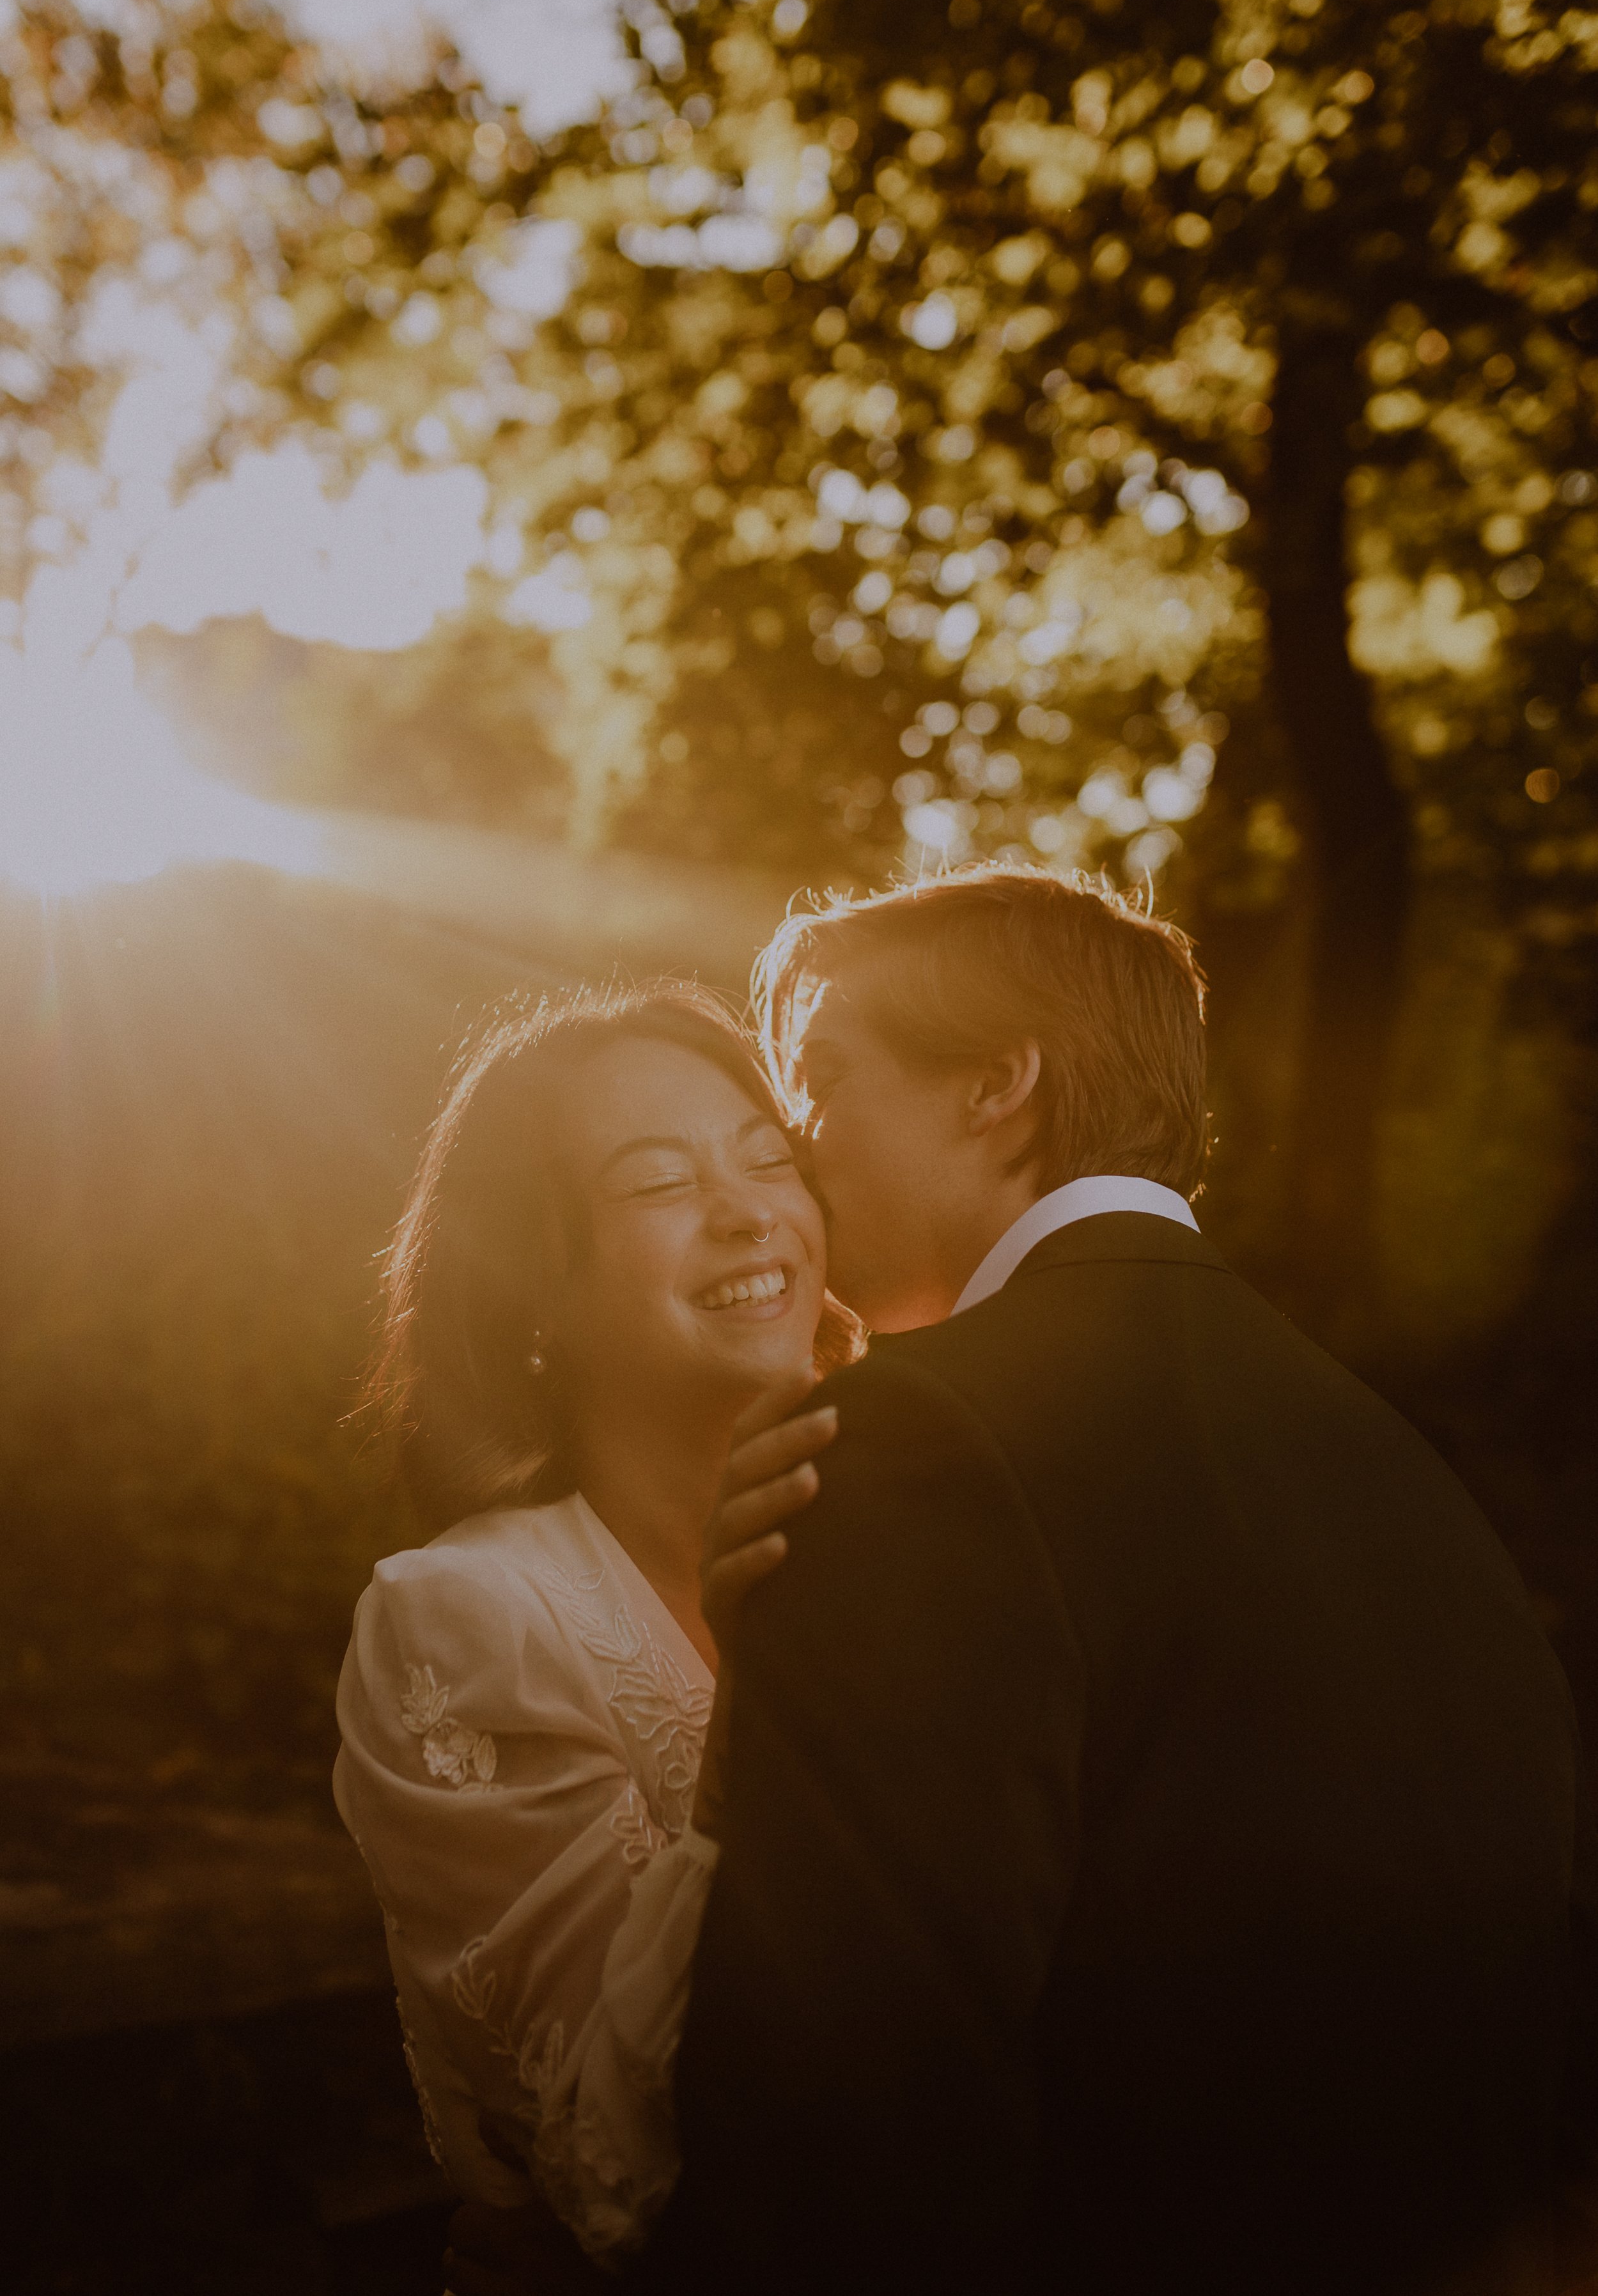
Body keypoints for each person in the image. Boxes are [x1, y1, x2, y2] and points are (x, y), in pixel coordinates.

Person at [626, 864, 1598, 2296]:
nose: (789, 1136)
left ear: (994, 1087)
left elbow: (854, 2123)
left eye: (823, 1074)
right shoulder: (1387, 1457)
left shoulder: (917, 1442)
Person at [332, 982, 858, 2277]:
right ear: (530, 1296)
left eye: (768, 1161)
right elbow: (612, 2163)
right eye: (656, 1182)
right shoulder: (466, 1623)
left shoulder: (926, 1549)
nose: (747, 1212)